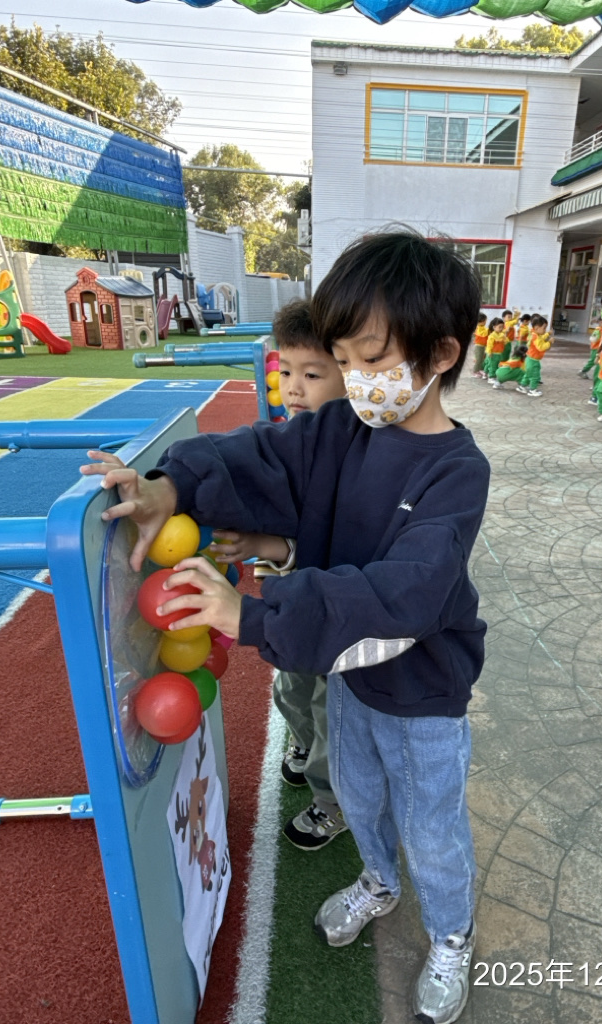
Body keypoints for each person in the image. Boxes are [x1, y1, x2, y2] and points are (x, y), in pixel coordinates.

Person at [82, 231, 490, 1024]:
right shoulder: (343, 431)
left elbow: (405, 594)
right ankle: (379, 881)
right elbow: (262, 455)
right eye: (345, 360)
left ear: (440, 353)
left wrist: (257, 615)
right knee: (360, 797)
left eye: (373, 358)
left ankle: (451, 933)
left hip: (424, 693)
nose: (357, 379)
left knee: (432, 827)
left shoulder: (457, 471)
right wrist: (172, 486)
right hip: (353, 681)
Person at [211, 299, 348, 851]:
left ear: (349, 373)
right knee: (291, 690)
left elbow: (329, 540)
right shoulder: (285, 441)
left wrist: (267, 545)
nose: (293, 387)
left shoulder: (349, 453)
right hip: (288, 605)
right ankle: (302, 743)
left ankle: (333, 804)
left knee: (330, 709)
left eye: (312, 375)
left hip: (330, 613)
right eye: (285, 371)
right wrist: (253, 544)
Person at [516, 314, 552, 397]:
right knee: (534, 375)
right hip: (533, 360)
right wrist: (549, 342)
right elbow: (541, 347)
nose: (545, 330)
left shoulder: (535, 334)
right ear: (536, 328)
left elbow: (541, 338)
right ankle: (533, 390)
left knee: (528, 374)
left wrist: (547, 334)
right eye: (544, 328)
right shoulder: (535, 336)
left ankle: (522, 387)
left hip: (530, 359)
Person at [579, 319, 602, 406]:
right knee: (594, 362)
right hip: (597, 349)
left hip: (597, 349)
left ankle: (596, 391)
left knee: (595, 364)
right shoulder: (600, 330)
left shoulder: (600, 329)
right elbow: (593, 339)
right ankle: (583, 370)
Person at [485, 316, 509, 382]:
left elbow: (506, 342)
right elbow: (489, 345)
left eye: (502, 327)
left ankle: (491, 375)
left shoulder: (501, 335)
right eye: (499, 327)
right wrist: (489, 352)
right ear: (494, 327)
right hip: (493, 354)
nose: (501, 329)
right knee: (492, 365)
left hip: (499, 353)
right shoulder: (492, 336)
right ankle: (491, 377)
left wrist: (504, 337)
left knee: (496, 365)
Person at [470, 312, 489, 377]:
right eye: (485, 321)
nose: (485, 322)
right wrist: (489, 330)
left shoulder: (483, 327)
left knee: (482, 359)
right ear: (481, 321)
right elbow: (483, 334)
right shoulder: (478, 328)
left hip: (483, 346)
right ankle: (475, 371)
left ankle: (479, 369)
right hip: (479, 346)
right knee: (478, 359)